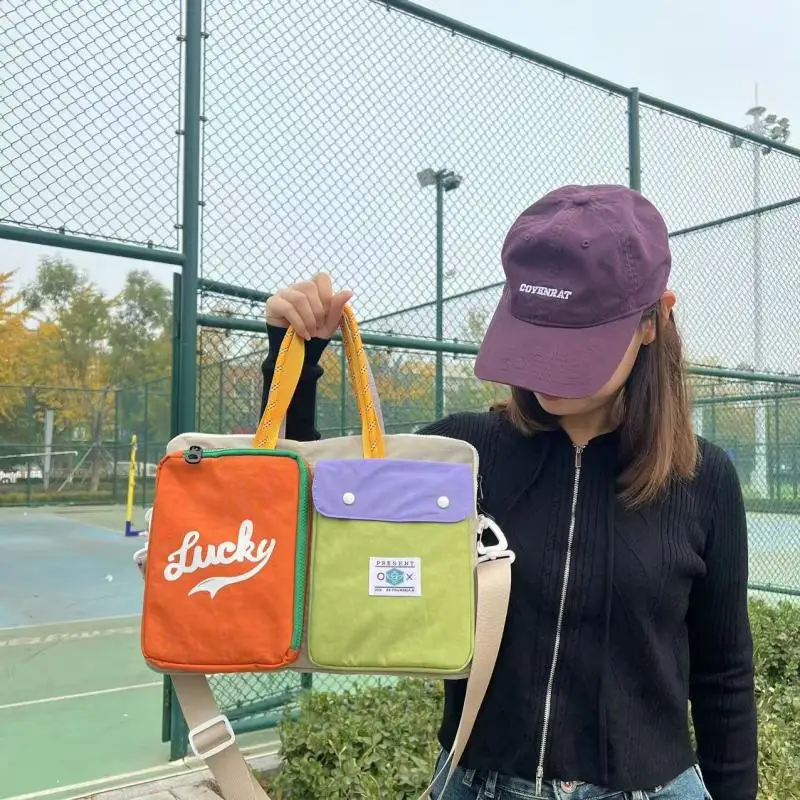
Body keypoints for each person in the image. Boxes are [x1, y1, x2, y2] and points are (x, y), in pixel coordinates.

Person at [260, 185, 757, 800]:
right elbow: (315, 523)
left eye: (579, 341)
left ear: (653, 321)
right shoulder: (461, 456)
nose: (551, 368)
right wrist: (295, 360)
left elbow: (724, 674)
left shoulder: (703, 479)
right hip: (477, 784)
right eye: (539, 335)